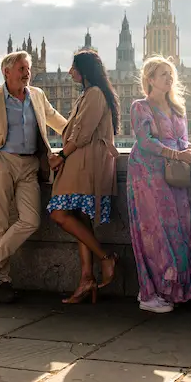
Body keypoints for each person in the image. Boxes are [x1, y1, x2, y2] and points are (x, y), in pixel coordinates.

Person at [0, 51, 67, 303]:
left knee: (31, 220)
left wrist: (82, 134)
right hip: (3, 162)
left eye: (28, 68)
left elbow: (58, 121)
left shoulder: (38, 95)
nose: (27, 73)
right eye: (21, 69)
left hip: (30, 165)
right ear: (7, 72)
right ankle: (1, 281)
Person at [127, 55, 191, 313]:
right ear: (150, 79)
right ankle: (149, 293)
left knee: (179, 229)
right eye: (164, 74)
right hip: (148, 175)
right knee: (155, 232)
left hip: (174, 174)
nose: (170, 78)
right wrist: (176, 154)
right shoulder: (141, 107)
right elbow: (144, 141)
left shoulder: (177, 108)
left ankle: (174, 290)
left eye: (171, 74)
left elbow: (180, 141)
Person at [47, 49, 120, 305]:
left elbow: (83, 134)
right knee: (80, 220)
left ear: (85, 70)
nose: (69, 72)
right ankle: (86, 278)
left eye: (74, 67)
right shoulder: (88, 94)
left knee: (60, 214)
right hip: (80, 162)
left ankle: (104, 257)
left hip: (85, 164)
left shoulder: (95, 94)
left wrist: (60, 156)